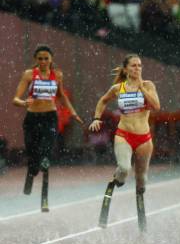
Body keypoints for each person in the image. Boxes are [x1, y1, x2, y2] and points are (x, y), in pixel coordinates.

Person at [89, 54, 160, 231]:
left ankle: (139, 194)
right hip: (124, 134)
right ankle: (116, 181)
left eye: (140, 66)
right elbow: (103, 101)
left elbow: (156, 106)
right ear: (126, 69)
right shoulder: (117, 88)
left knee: (142, 178)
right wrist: (97, 118)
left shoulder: (149, 85)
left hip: (144, 138)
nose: (137, 68)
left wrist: (142, 89)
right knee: (124, 168)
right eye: (134, 66)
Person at [12, 44, 83, 212]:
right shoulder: (29, 75)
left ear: (51, 60)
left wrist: (73, 113)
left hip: (50, 118)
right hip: (32, 119)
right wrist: (23, 102)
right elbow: (15, 98)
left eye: (46, 58)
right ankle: (32, 172)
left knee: (46, 148)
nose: (43, 61)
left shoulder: (57, 75)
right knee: (33, 154)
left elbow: (62, 97)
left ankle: (44, 162)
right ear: (35, 60)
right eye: (40, 59)